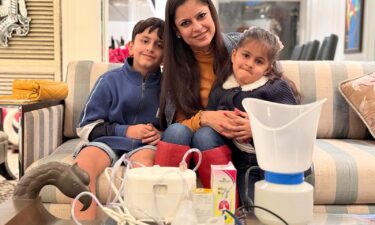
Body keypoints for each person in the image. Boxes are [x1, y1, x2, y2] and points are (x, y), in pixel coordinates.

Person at [73, 17, 164, 220]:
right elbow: (86, 127)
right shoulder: (108, 81)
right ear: (131, 47)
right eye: (145, 41)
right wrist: (125, 131)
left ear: (165, 56)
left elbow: (176, 125)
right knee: (82, 168)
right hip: (106, 142)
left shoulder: (168, 88)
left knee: (145, 170)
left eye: (159, 45)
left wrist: (161, 134)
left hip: (144, 146)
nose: (150, 48)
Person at [206, 26, 301, 206]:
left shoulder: (275, 88)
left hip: (277, 162)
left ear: (267, 68)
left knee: (278, 206)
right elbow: (211, 117)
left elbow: (293, 123)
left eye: (259, 61)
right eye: (246, 55)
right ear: (234, 55)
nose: (249, 64)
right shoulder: (221, 89)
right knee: (251, 205)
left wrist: (256, 128)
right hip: (244, 163)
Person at [154, 0, 242, 189]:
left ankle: (226, 212)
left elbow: (276, 93)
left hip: (237, 142)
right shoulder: (174, 67)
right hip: (189, 147)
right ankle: (162, 210)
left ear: (211, 12)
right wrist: (204, 118)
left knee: (205, 136)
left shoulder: (241, 47)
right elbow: (177, 125)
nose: (198, 27)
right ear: (177, 31)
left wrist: (255, 125)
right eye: (186, 23)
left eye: (201, 16)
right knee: (181, 132)